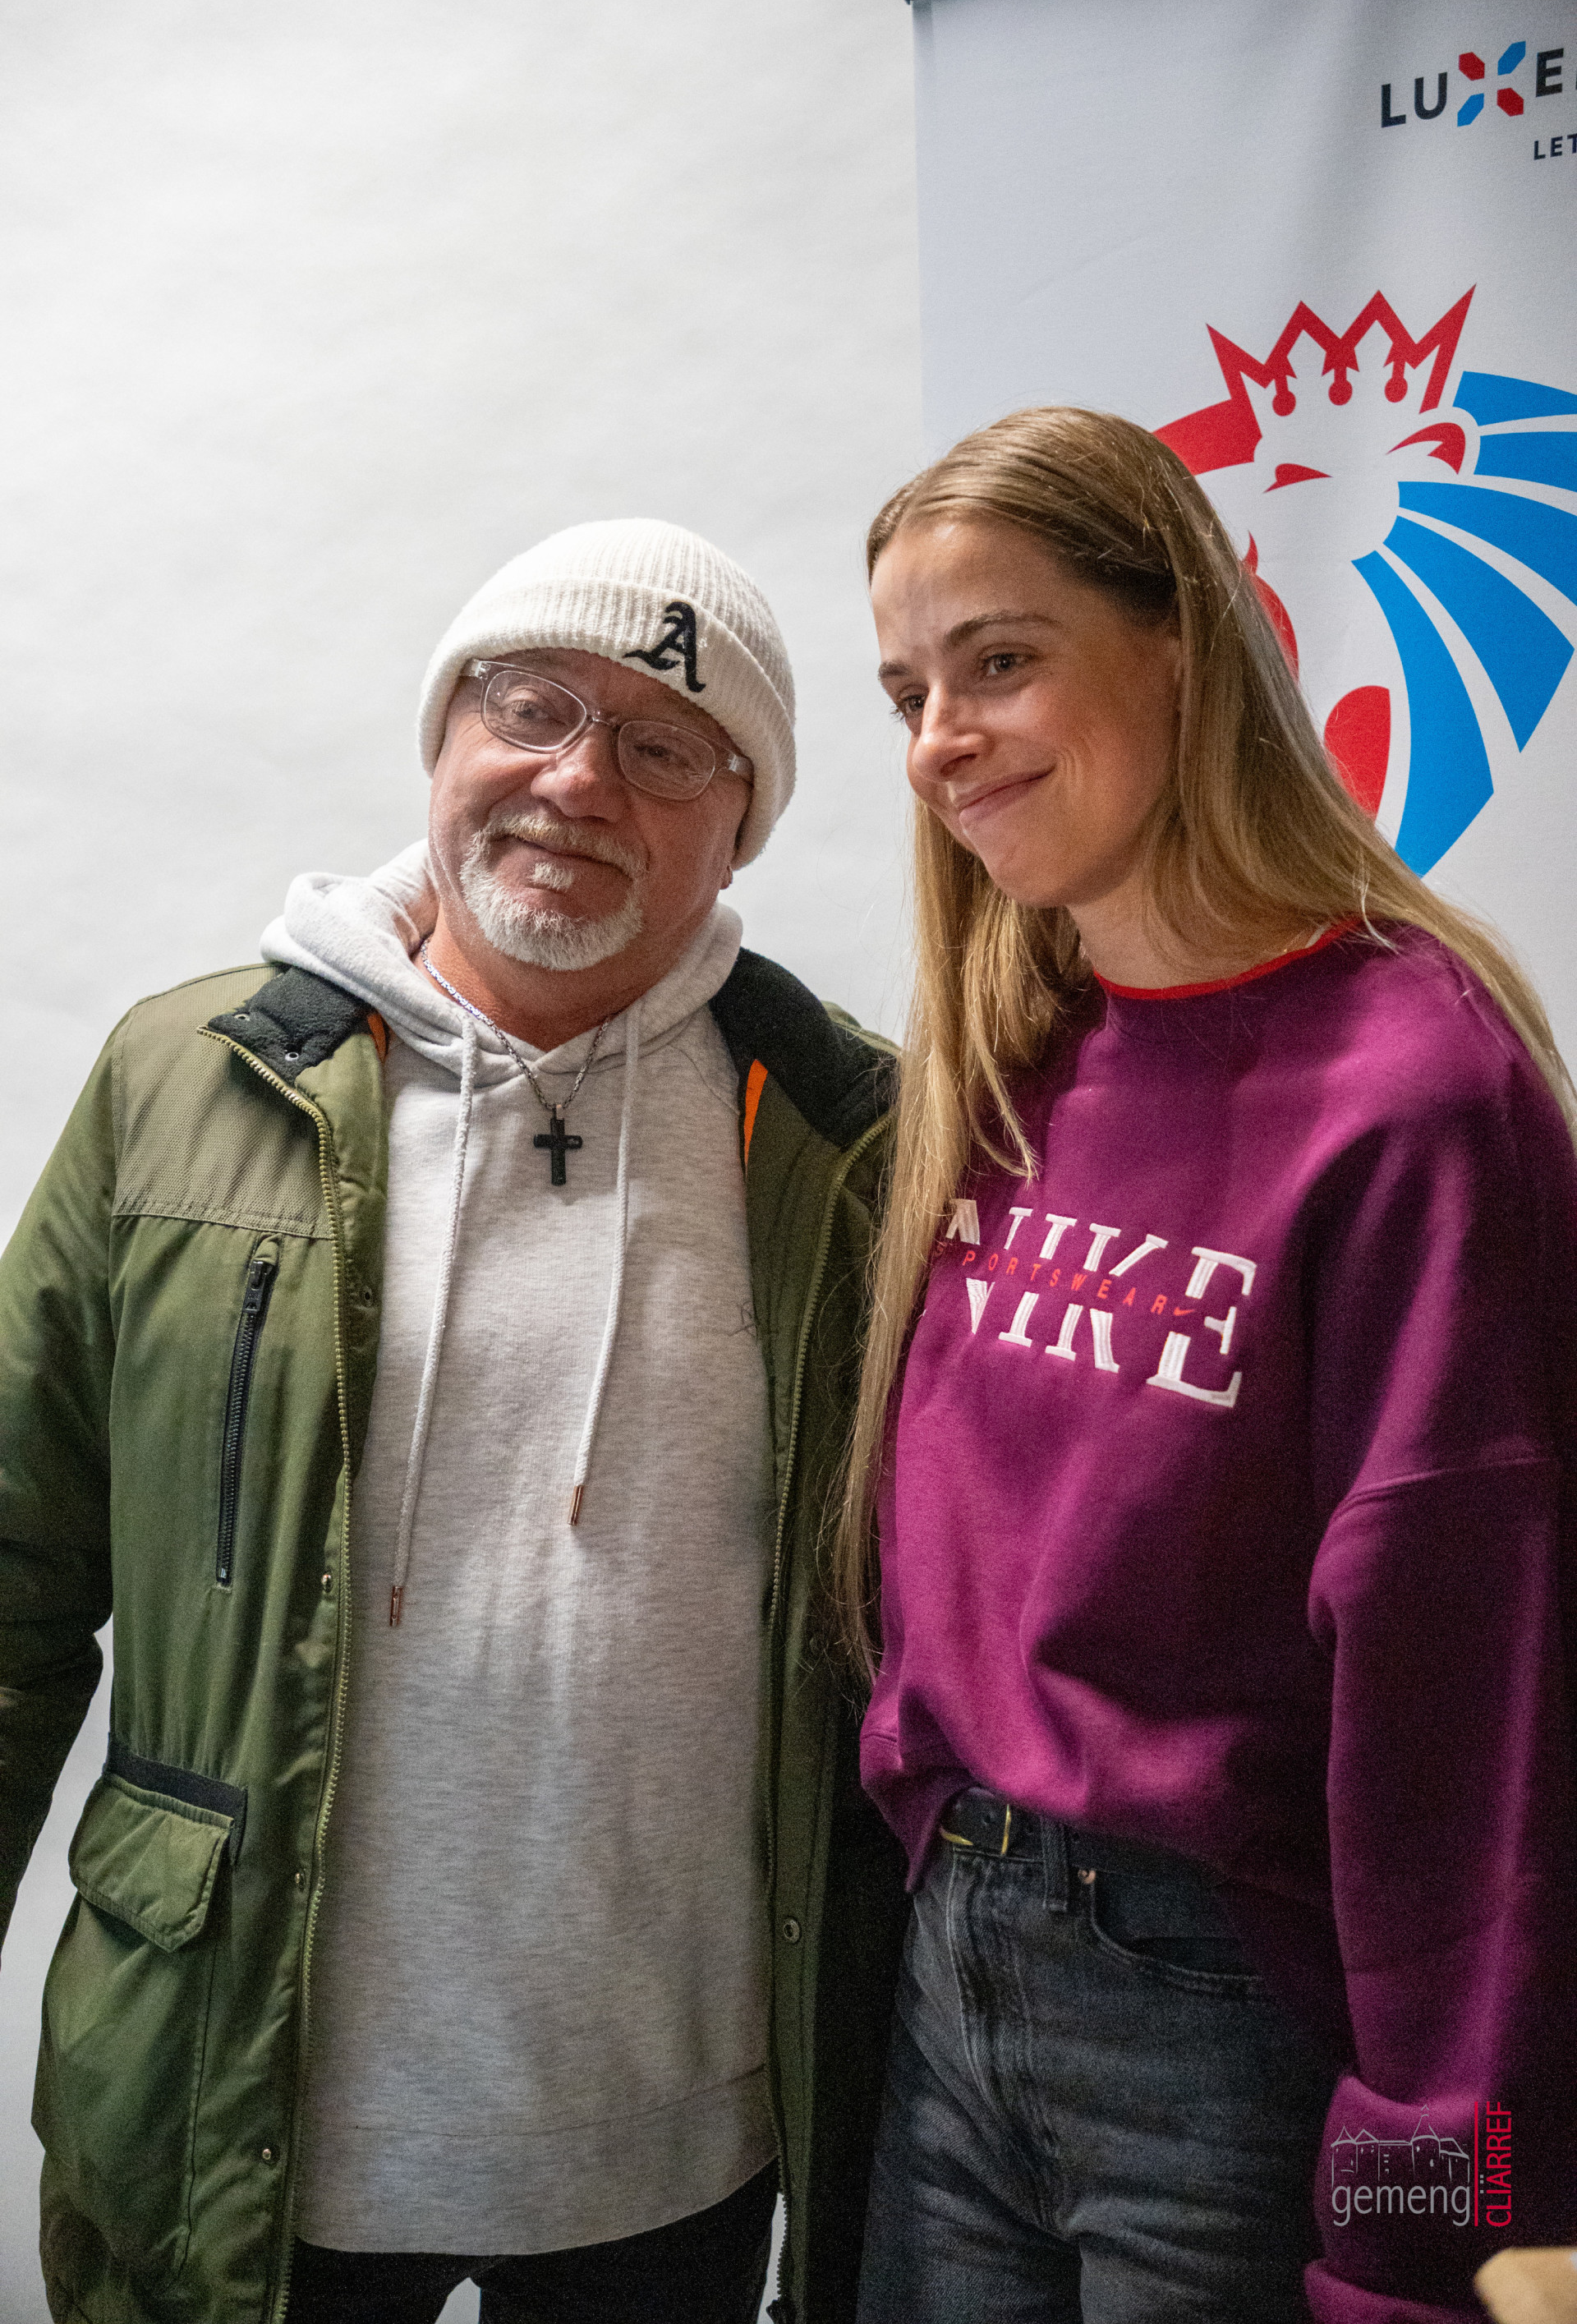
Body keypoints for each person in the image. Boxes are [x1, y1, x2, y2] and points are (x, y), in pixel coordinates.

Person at [0, 519, 908, 2324]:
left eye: (665, 746)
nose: (578, 778)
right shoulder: (191, 1085)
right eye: (530, 706)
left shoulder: (852, 1138)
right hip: (241, 2108)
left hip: (680, 2129)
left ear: (743, 821)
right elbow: (15, 1562)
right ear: (444, 736)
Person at [839, 408, 1577, 2323]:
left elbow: (1479, 1744)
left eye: (1001, 661)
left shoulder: (1420, 1091)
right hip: (952, 1986)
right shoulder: (1011, 1058)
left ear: (1184, 643)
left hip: (1229, 2036)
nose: (940, 740)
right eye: (910, 691)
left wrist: (1429, 2240)